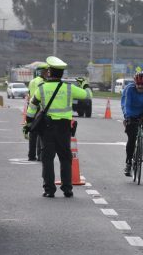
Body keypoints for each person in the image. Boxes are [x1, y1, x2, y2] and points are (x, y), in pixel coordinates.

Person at [24, 56, 92, 198]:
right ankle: (67, 189)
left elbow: (32, 107)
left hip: (46, 128)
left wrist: (28, 124)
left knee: (47, 159)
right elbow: (87, 96)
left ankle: (49, 190)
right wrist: (85, 84)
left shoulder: (41, 89)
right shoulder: (69, 88)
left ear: (49, 72)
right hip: (64, 128)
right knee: (65, 158)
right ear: (61, 74)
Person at [26, 63, 48, 161]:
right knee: (41, 133)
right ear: (44, 72)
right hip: (40, 109)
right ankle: (40, 155)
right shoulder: (43, 83)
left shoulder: (32, 81)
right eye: (47, 71)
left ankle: (31, 155)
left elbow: (29, 95)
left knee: (32, 132)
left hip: (31, 108)